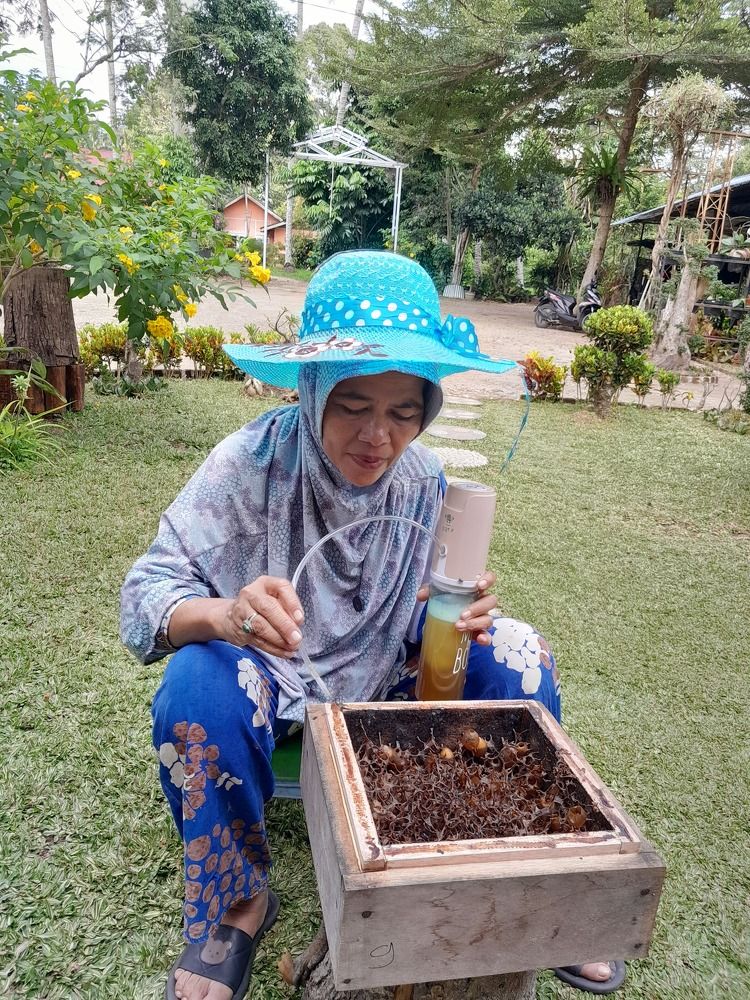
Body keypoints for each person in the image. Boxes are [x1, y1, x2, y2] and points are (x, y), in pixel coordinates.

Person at [121, 251, 622, 1000]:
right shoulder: (247, 464)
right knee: (196, 683)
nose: (377, 437)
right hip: (274, 675)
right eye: (353, 405)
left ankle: (529, 885)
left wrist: (454, 613)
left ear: (429, 409)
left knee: (518, 652)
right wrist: (226, 613)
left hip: (386, 676)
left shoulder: (424, 481)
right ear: (311, 387)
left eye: (403, 411)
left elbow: (424, 606)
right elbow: (144, 593)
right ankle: (237, 904)